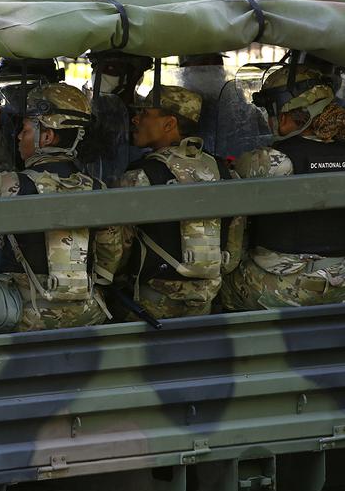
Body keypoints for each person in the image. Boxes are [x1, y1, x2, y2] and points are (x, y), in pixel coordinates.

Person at [0, 83, 122, 332]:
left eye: (24, 130)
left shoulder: (11, 184)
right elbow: (112, 253)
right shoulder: (97, 188)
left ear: (47, 137)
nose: (19, 137)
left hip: (26, 315)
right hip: (87, 313)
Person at [221, 64, 345, 309]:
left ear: (290, 114)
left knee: (221, 284)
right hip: (340, 284)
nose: (270, 119)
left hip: (284, 288)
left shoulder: (271, 160)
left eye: (272, 111)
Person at [119, 85, 242, 319]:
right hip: (208, 295)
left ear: (169, 124)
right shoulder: (223, 171)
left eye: (145, 114)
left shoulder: (140, 176)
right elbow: (234, 244)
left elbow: (119, 249)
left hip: (149, 297)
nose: (135, 119)